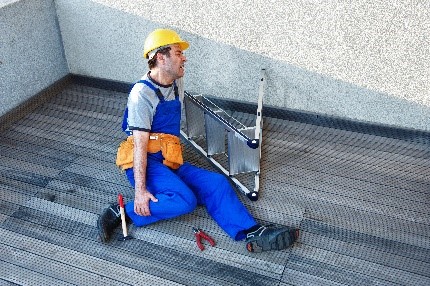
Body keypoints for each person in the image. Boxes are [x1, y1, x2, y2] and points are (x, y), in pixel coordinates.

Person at [97, 28, 298, 252]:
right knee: (185, 200)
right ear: (161, 58)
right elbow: (139, 145)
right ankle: (122, 212)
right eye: (178, 52)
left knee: (217, 184)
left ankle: (250, 232)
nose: (184, 57)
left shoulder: (176, 82)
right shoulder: (141, 95)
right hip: (144, 160)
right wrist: (140, 192)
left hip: (167, 158)